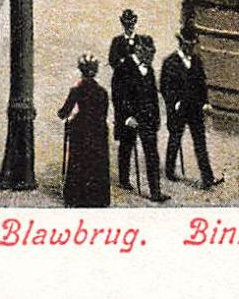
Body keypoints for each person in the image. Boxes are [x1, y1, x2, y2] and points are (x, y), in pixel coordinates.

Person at [161, 31, 221, 189]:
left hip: (195, 108)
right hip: (179, 108)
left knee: (200, 142)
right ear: (181, 43)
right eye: (188, 45)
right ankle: (169, 170)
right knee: (175, 138)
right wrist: (174, 103)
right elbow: (165, 87)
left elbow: (202, 84)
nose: (191, 48)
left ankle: (207, 177)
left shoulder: (196, 61)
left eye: (193, 45)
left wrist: (205, 102)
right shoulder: (170, 62)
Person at [112, 36, 168, 202]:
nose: (152, 57)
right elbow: (118, 96)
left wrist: (156, 118)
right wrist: (127, 117)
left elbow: (153, 96)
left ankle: (155, 191)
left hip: (147, 118)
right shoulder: (123, 68)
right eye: (149, 53)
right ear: (139, 50)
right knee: (126, 147)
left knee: (152, 154)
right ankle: (123, 179)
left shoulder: (149, 70)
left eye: (153, 53)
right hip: (130, 117)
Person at [58, 54, 111, 207]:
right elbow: (103, 112)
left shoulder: (77, 90)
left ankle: (76, 196)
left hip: (81, 129)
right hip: (98, 129)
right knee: (96, 164)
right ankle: (98, 197)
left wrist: (65, 115)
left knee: (79, 162)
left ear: (81, 70)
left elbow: (64, 112)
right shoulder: (102, 91)